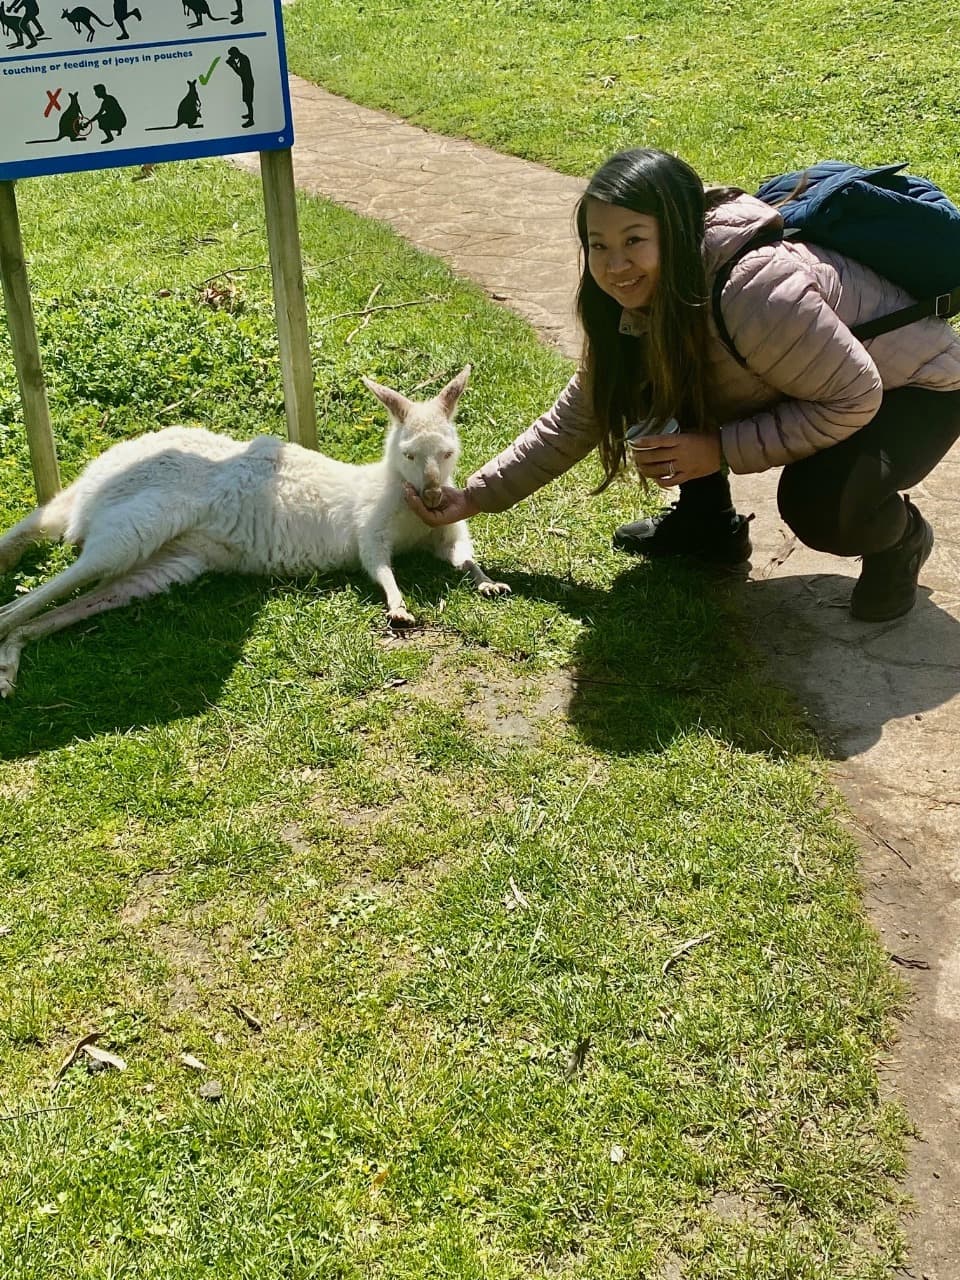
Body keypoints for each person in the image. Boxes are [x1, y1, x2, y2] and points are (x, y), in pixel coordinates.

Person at [404, 148, 960, 621]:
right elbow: (581, 415)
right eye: (598, 245)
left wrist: (717, 448)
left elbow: (854, 396)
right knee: (643, 379)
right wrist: (473, 496)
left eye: (634, 240)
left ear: (675, 230)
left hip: (913, 388)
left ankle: (902, 538)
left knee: (821, 505)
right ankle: (706, 526)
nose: (615, 264)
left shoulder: (754, 290)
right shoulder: (637, 301)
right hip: (809, 381)